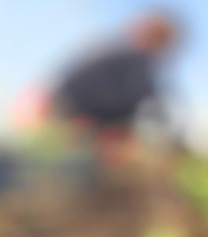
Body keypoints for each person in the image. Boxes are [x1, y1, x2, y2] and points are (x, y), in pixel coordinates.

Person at [51, 12, 179, 167]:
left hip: (70, 109)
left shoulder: (119, 53)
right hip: (79, 115)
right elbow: (143, 98)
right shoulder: (135, 58)